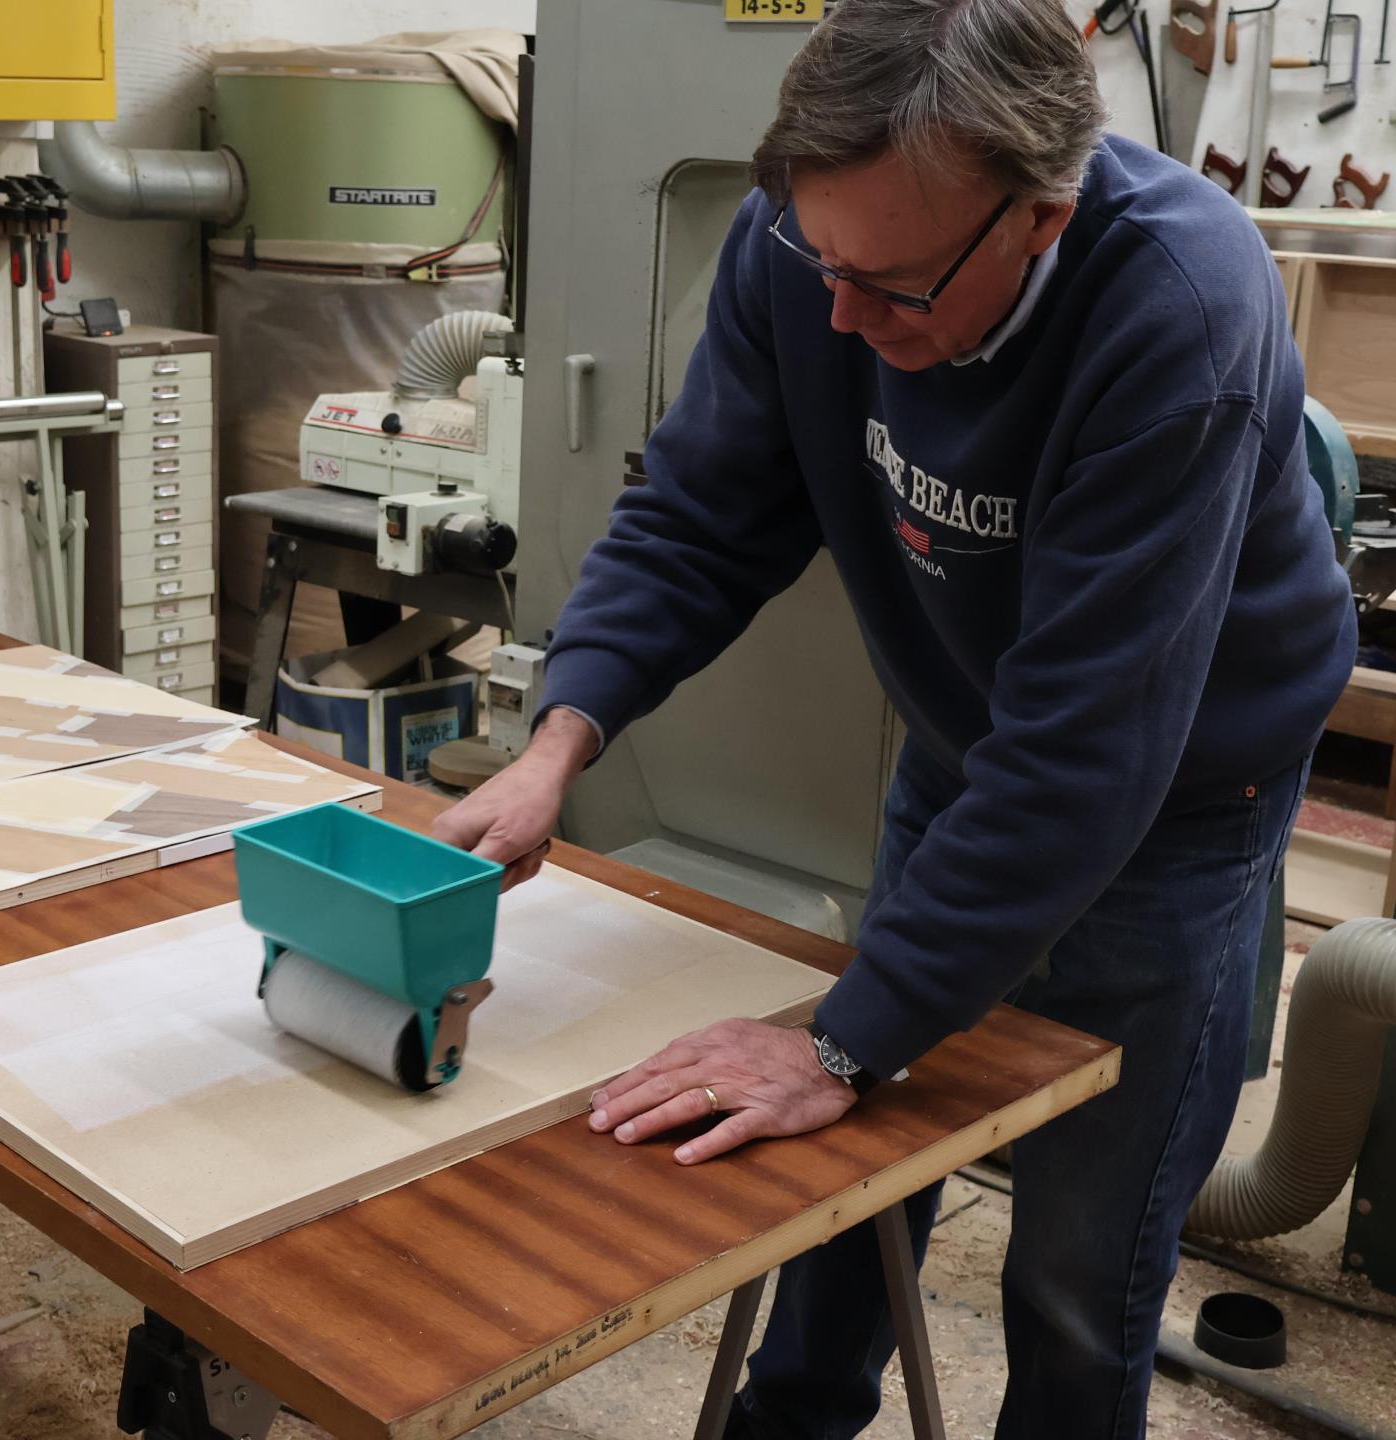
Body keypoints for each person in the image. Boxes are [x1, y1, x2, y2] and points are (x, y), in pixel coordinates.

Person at [431, 0, 1356, 1434]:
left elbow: (1086, 757)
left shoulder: (1180, 305)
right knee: (839, 1198)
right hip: (972, 739)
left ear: (1039, 219)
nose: (842, 319)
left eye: (896, 290)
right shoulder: (820, 241)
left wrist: (837, 1041)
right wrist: (562, 736)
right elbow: (697, 514)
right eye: (822, 266)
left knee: (1073, 1261)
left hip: (1176, 801)